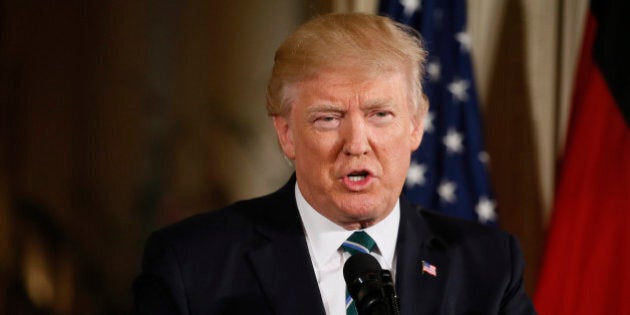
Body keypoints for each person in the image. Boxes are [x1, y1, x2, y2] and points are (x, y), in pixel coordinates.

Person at [133, 13, 536, 315]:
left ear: (415, 126)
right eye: (328, 118)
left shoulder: (488, 266)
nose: (357, 144)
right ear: (287, 134)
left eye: (380, 114)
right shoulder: (192, 265)